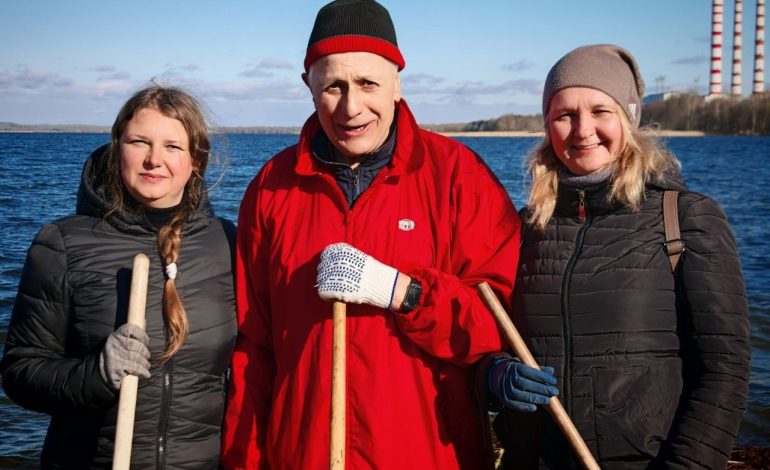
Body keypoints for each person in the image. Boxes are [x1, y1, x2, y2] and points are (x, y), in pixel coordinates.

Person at [220, 1, 520, 468]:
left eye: (367, 83)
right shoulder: (271, 188)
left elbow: (495, 325)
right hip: (304, 455)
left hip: (427, 454)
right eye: (333, 86)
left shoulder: (457, 176)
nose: (351, 107)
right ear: (308, 87)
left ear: (397, 83)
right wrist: (244, 461)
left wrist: (404, 292)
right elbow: (253, 348)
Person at [481, 44, 751, 469]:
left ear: (628, 118)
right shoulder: (523, 228)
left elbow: (724, 369)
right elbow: (488, 336)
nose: (582, 130)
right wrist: (494, 374)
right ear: (548, 125)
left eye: (600, 111)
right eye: (564, 115)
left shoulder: (684, 218)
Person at [0, 85, 237, 469]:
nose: (154, 160)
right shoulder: (63, 244)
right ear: (117, 148)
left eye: (172, 146)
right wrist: (96, 372)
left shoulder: (226, 243)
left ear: (196, 159)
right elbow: (21, 373)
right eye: (139, 142)